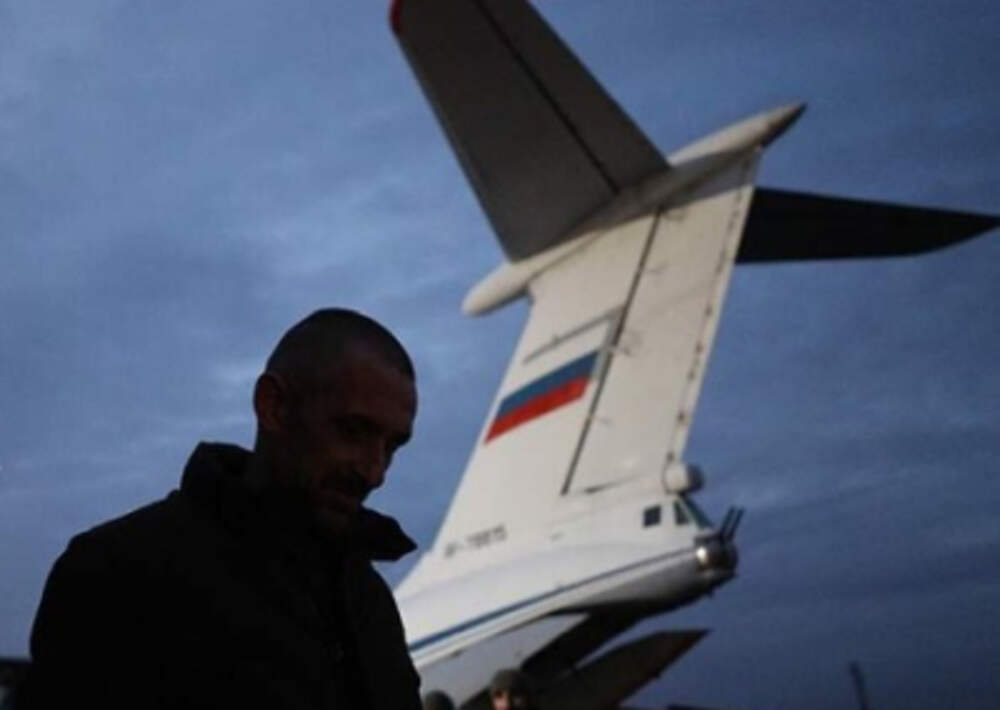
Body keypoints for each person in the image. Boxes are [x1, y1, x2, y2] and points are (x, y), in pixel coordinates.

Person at [20, 308, 423, 709]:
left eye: (392, 447)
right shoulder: (117, 576)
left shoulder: (369, 602)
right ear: (273, 406)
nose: (375, 472)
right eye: (354, 431)